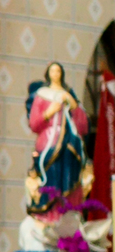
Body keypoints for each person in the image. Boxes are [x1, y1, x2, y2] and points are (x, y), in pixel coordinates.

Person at [27, 61, 90, 198]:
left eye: (58, 71)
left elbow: (83, 126)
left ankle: (69, 201)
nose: (55, 74)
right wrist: (49, 112)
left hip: (69, 139)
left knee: (71, 168)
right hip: (49, 141)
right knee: (51, 173)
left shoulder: (67, 94)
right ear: (48, 74)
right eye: (52, 71)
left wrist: (73, 105)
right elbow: (34, 123)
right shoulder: (42, 95)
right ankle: (51, 202)